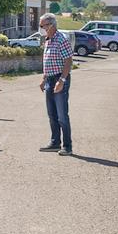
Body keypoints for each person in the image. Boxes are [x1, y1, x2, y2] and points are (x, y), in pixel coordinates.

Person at [38, 13, 75, 156]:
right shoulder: (48, 40)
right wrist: (44, 79)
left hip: (60, 79)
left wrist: (62, 80)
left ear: (51, 25)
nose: (41, 28)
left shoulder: (61, 39)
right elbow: (49, 62)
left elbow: (68, 61)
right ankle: (55, 142)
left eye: (43, 25)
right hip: (49, 80)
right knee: (52, 114)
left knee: (62, 115)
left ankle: (67, 146)